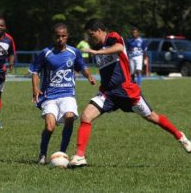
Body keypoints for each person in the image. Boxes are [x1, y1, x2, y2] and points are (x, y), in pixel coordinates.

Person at [69, 19, 191, 167]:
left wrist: (97, 52)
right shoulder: (97, 46)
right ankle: (80, 156)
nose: (90, 38)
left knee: (153, 117)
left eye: (91, 34)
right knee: (86, 116)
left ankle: (180, 136)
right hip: (107, 93)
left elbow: (119, 47)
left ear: (99, 31)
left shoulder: (112, 37)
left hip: (126, 91)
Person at [29, 23, 96, 164]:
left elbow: (82, 66)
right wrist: (35, 88)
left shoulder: (74, 52)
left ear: (67, 36)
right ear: (53, 36)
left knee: (70, 117)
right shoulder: (45, 53)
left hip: (67, 94)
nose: (60, 39)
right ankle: (42, 154)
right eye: (57, 36)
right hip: (49, 96)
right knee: (50, 127)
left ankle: (62, 152)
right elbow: (35, 72)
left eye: (63, 36)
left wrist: (89, 75)